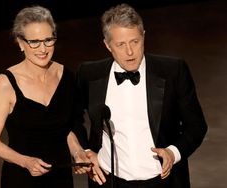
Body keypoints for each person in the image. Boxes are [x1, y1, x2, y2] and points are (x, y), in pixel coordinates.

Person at [74, 3, 208, 188]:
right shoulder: (89, 73)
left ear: (144, 36)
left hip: (163, 180)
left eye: (135, 42)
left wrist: (172, 152)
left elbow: (196, 126)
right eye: (121, 44)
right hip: (108, 180)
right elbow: (72, 118)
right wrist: (86, 151)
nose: (130, 52)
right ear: (107, 45)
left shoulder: (173, 71)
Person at [0, 5, 89, 188]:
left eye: (48, 40)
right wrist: (26, 162)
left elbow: (68, 127)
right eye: (34, 42)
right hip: (21, 178)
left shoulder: (67, 77)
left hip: (61, 177)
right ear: (21, 43)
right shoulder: (6, 83)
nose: (43, 49)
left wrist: (78, 151)